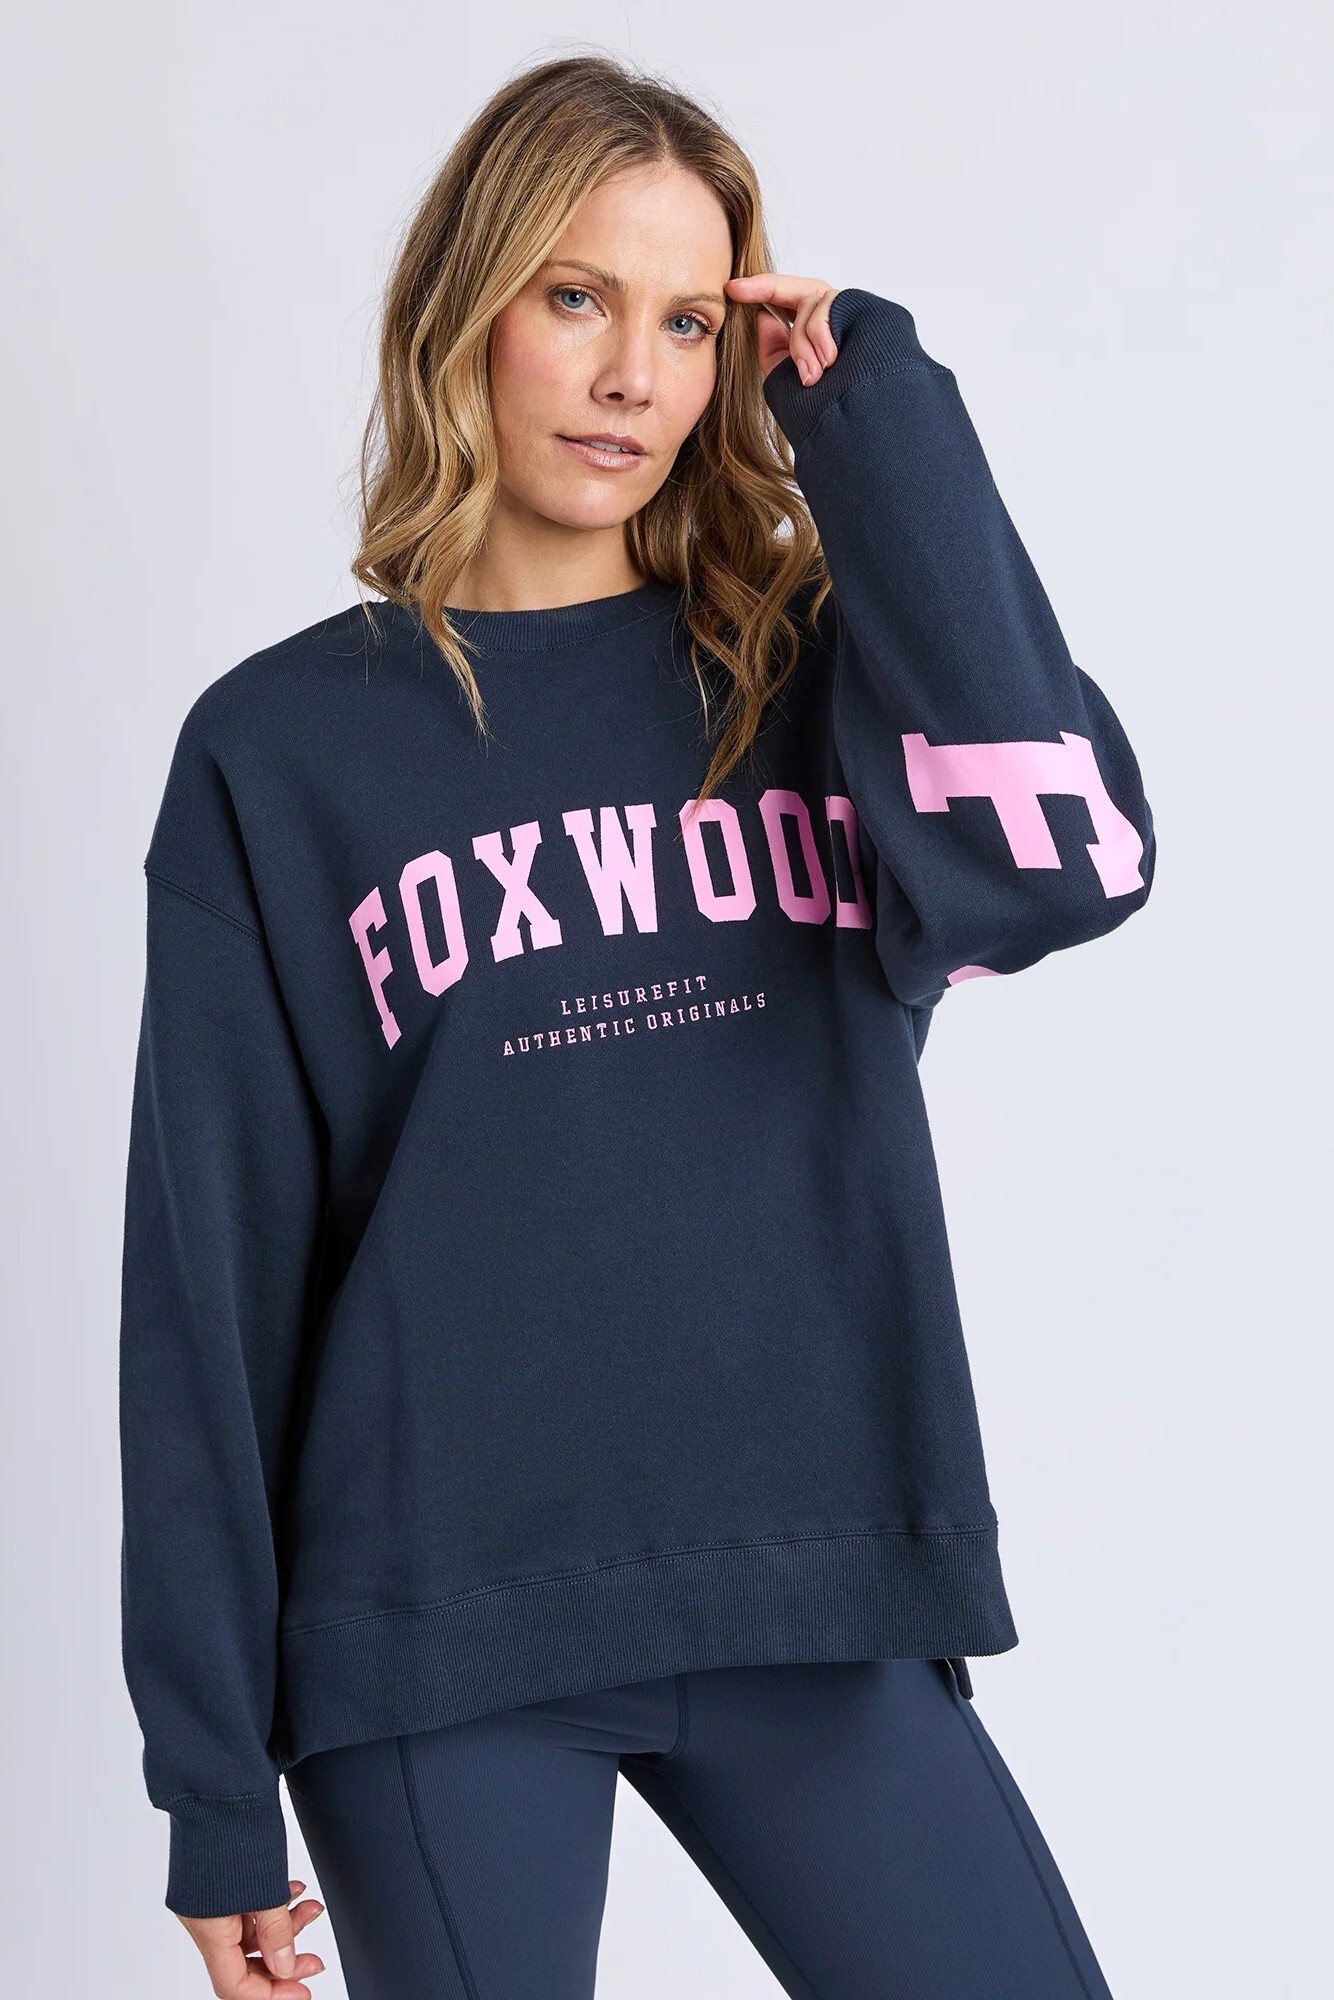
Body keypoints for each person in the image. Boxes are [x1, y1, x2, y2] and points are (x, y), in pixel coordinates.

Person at [117, 49, 1156, 2000]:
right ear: (468, 307)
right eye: (578, 296)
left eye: (687, 322)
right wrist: (208, 1785)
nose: (629, 377)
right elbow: (210, 1285)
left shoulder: (812, 676)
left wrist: (883, 426)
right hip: (432, 1632)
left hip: (811, 1576)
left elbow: (1066, 866)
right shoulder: (280, 750)